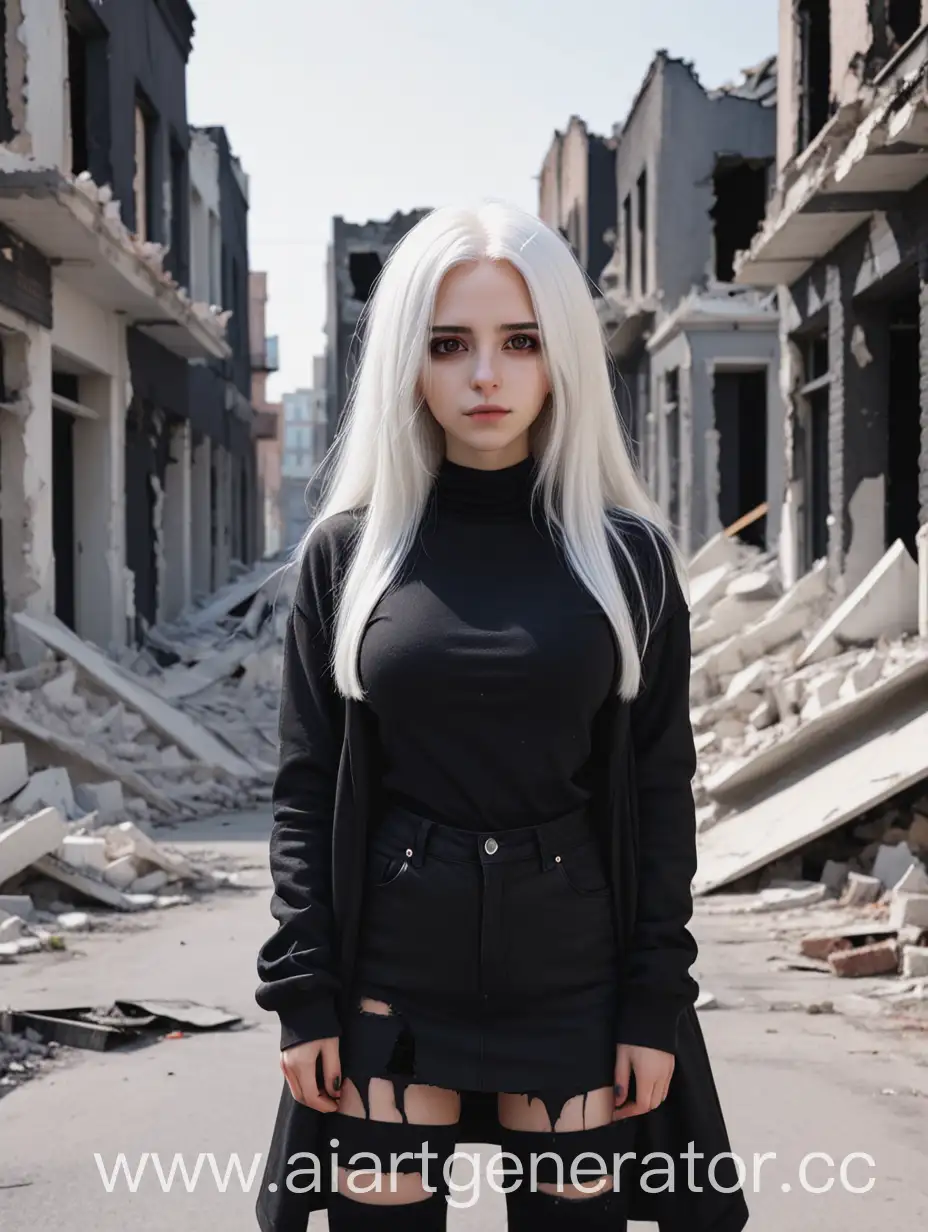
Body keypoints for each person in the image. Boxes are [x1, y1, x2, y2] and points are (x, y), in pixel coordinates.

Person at [254, 202, 738, 1231]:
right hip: (392, 969)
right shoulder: (347, 557)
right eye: (449, 343)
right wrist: (304, 991)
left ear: (559, 353)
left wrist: (653, 1000)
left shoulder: (630, 559)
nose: (485, 375)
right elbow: (304, 789)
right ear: (407, 363)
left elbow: (660, 797)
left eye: (519, 341)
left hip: (572, 968)